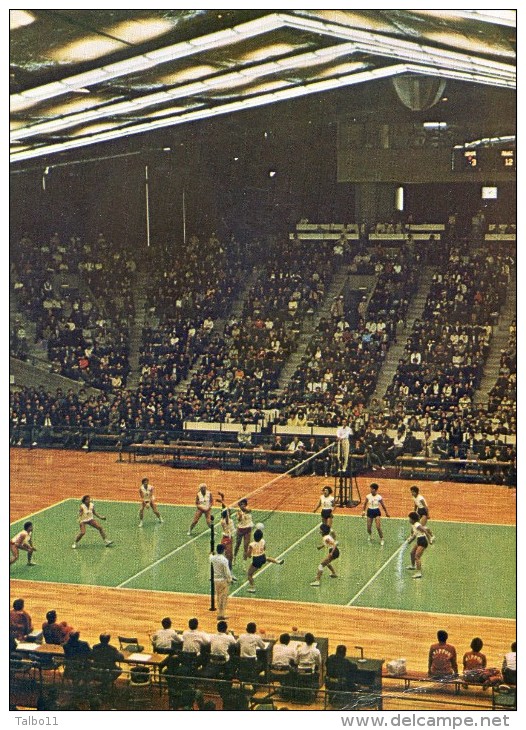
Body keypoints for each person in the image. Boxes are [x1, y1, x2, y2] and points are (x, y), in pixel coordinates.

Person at [247, 528, 284, 593]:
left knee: (249, 574)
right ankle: (277, 561)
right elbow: (264, 548)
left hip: (256, 560)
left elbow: (249, 555)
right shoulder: (263, 541)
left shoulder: (251, 545)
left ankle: (252, 588)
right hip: (262, 556)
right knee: (267, 558)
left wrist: (249, 554)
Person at [405, 512, 434, 579]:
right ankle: (413, 566)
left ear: (413, 519)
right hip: (419, 540)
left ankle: (418, 573)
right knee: (412, 553)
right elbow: (415, 535)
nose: (409, 520)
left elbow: (425, 531)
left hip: (422, 541)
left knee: (417, 556)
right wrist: (410, 540)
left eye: (409, 519)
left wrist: (430, 539)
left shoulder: (417, 525)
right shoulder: (414, 525)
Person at [210, 543, 233, 620]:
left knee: (218, 597)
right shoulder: (224, 560)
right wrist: (230, 579)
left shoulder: (213, 558)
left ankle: (220, 613)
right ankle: (221, 615)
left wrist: (211, 553)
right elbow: (227, 571)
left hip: (215, 580)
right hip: (223, 580)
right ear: (223, 551)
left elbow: (210, 556)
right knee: (223, 598)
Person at [217, 492, 236, 579]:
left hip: (228, 539)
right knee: (229, 557)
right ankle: (228, 573)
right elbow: (227, 509)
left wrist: (222, 497)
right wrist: (222, 501)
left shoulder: (225, 518)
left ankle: (228, 572)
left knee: (228, 557)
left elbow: (225, 509)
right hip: (226, 539)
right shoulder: (225, 521)